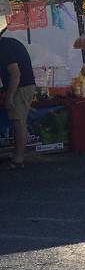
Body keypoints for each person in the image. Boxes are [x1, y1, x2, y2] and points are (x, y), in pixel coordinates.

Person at [0, 30, 37, 169]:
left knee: (18, 122)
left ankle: (18, 159)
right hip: (26, 85)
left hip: (21, 87)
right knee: (19, 121)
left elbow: (15, 74)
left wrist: (9, 97)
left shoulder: (3, 48)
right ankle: (18, 154)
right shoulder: (9, 43)